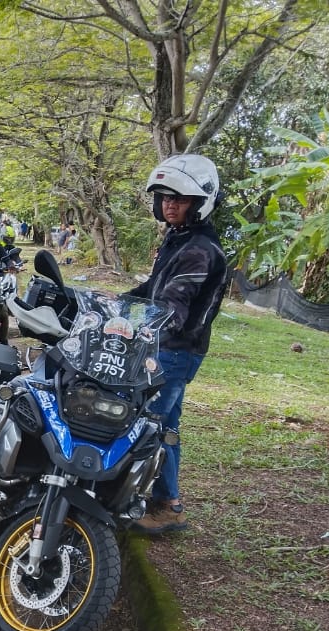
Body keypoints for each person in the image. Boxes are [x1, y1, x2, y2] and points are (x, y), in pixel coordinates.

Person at [125, 153, 228, 536]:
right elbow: (151, 290)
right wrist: (114, 303)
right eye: (165, 196)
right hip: (166, 347)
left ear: (199, 204)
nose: (169, 204)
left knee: (149, 424)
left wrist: (134, 321)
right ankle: (168, 503)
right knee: (166, 425)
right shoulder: (180, 239)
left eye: (179, 198)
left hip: (176, 350)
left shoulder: (200, 249)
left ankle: (161, 505)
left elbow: (172, 307)